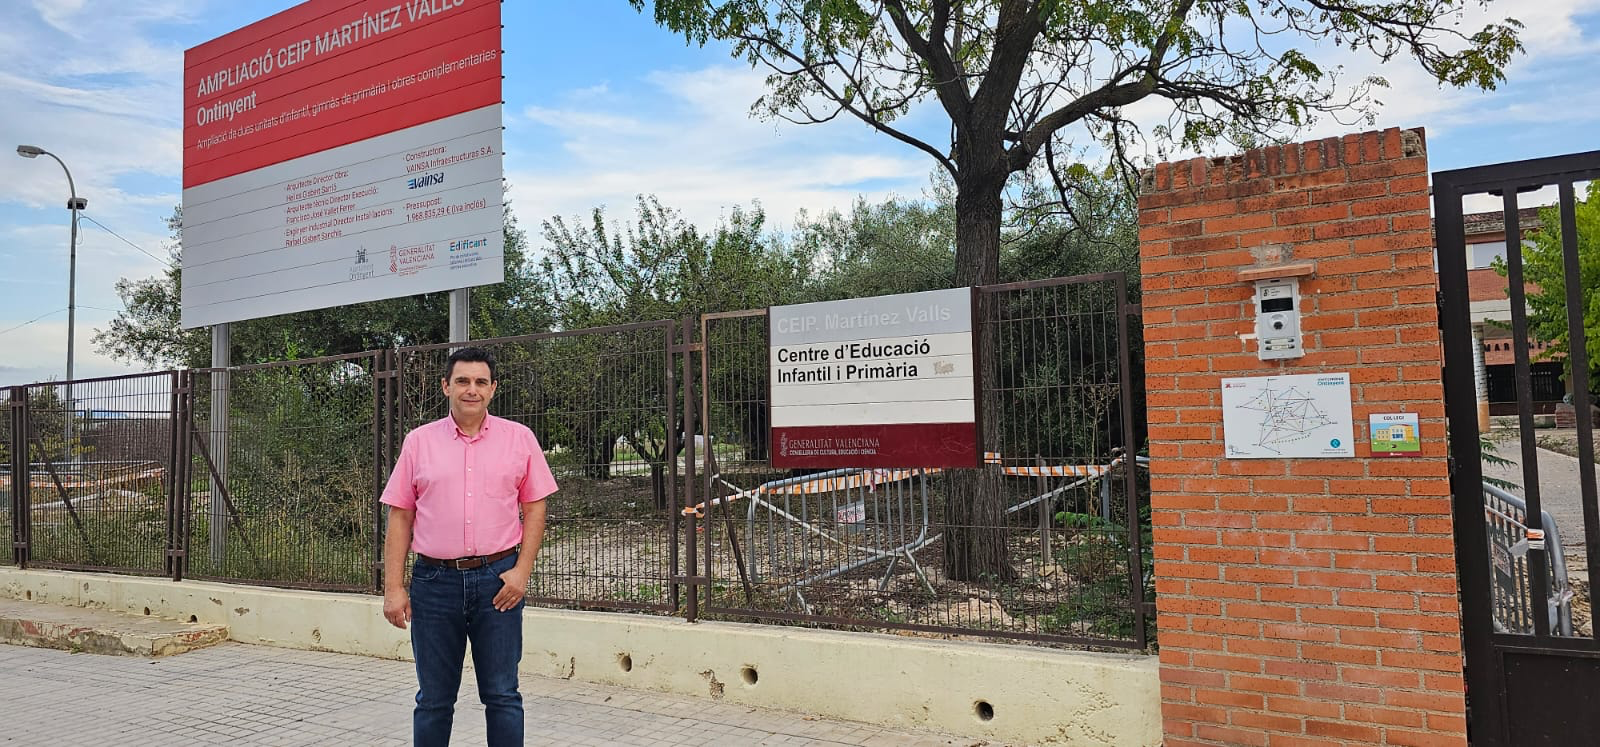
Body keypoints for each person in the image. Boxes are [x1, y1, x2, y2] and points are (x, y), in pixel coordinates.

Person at [380, 347, 557, 747]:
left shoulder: (520, 439)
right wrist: (394, 588)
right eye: (462, 381)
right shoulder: (418, 442)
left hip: (499, 584)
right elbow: (400, 516)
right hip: (434, 583)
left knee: (502, 695)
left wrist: (522, 571)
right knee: (434, 700)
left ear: (493, 389)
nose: (471, 390)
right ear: (446, 386)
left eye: (480, 382)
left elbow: (535, 506)